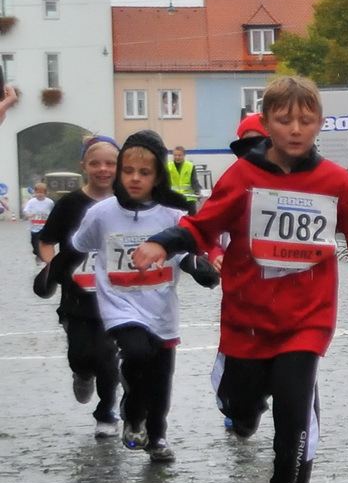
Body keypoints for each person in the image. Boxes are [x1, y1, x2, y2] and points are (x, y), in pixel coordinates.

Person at [135, 76, 348, 483]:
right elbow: (204, 225)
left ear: (319, 123)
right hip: (248, 315)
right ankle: (240, 408)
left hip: (308, 317)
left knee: (295, 406)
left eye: (306, 120)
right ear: (268, 124)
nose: (296, 129)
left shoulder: (336, 182)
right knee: (240, 406)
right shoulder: (242, 176)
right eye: (285, 120)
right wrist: (164, 243)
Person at [66, 131, 209, 463]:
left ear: (158, 176)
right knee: (136, 352)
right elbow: (81, 244)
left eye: (144, 173)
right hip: (119, 305)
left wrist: (195, 265)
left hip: (160, 308)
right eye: (127, 170)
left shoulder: (172, 216)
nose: (134, 178)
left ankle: (157, 436)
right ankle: (131, 416)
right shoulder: (102, 213)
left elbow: (184, 249)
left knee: (160, 378)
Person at [32, 139, 123, 436]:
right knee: (81, 356)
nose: (103, 169)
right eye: (95, 163)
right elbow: (46, 240)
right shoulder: (69, 204)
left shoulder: (129, 201)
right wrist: (51, 267)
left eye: (110, 162)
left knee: (107, 356)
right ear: (83, 166)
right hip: (78, 297)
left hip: (118, 297)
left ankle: (106, 413)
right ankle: (82, 374)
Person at [24, 181, 54, 261]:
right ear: (34, 192)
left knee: (44, 242)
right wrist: (28, 215)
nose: (40, 194)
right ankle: (37, 254)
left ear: (46, 193)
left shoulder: (49, 202)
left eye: (42, 192)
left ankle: (44, 257)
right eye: (38, 192)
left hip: (45, 227)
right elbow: (26, 211)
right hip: (34, 227)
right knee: (34, 243)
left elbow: (53, 212)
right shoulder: (32, 202)